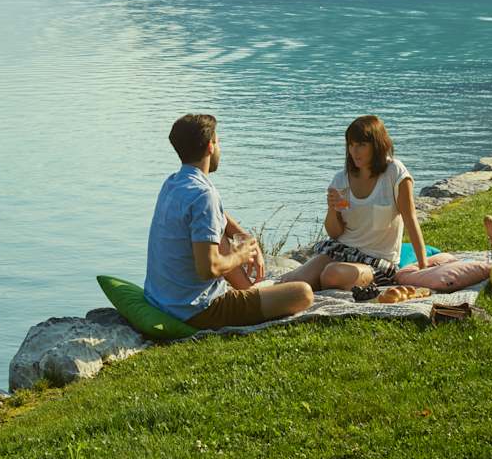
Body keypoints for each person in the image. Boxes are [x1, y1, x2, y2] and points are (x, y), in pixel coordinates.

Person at [145, 113, 316, 329]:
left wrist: (246, 238)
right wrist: (240, 255)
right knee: (302, 293)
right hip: (198, 310)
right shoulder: (204, 195)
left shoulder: (173, 183)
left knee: (219, 237)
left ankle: (249, 292)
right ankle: (251, 295)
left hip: (161, 299)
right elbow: (208, 269)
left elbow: (217, 217)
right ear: (210, 146)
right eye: (218, 142)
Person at [273, 114, 446, 291]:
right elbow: (335, 232)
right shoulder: (341, 179)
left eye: (361, 145)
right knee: (292, 282)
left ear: (377, 145)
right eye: (351, 145)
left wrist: (424, 266)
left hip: (377, 259)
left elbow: (410, 219)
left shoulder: (394, 173)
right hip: (340, 250)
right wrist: (332, 209)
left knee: (331, 275)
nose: (354, 151)